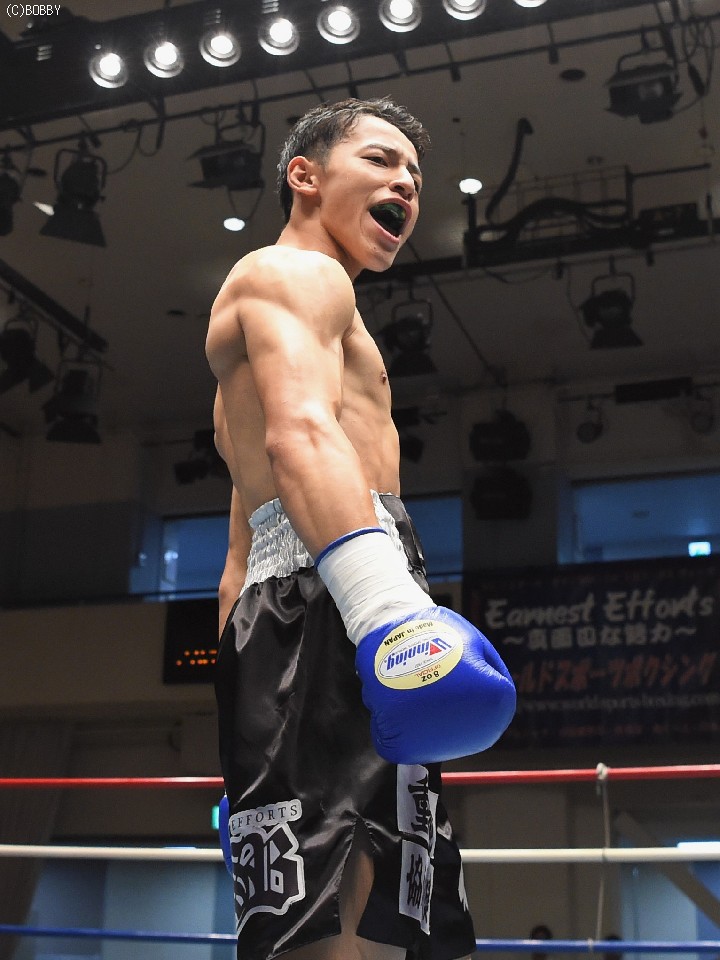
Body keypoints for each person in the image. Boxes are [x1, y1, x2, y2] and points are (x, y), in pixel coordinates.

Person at [206, 97, 514, 960]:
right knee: (345, 919)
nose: (406, 183)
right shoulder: (296, 274)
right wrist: (387, 612)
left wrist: (240, 733)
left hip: (310, 605)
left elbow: (241, 552)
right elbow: (301, 437)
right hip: (336, 601)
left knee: (385, 911)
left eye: (415, 172)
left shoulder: (298, 312)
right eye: (381, 160)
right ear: (304, 175)